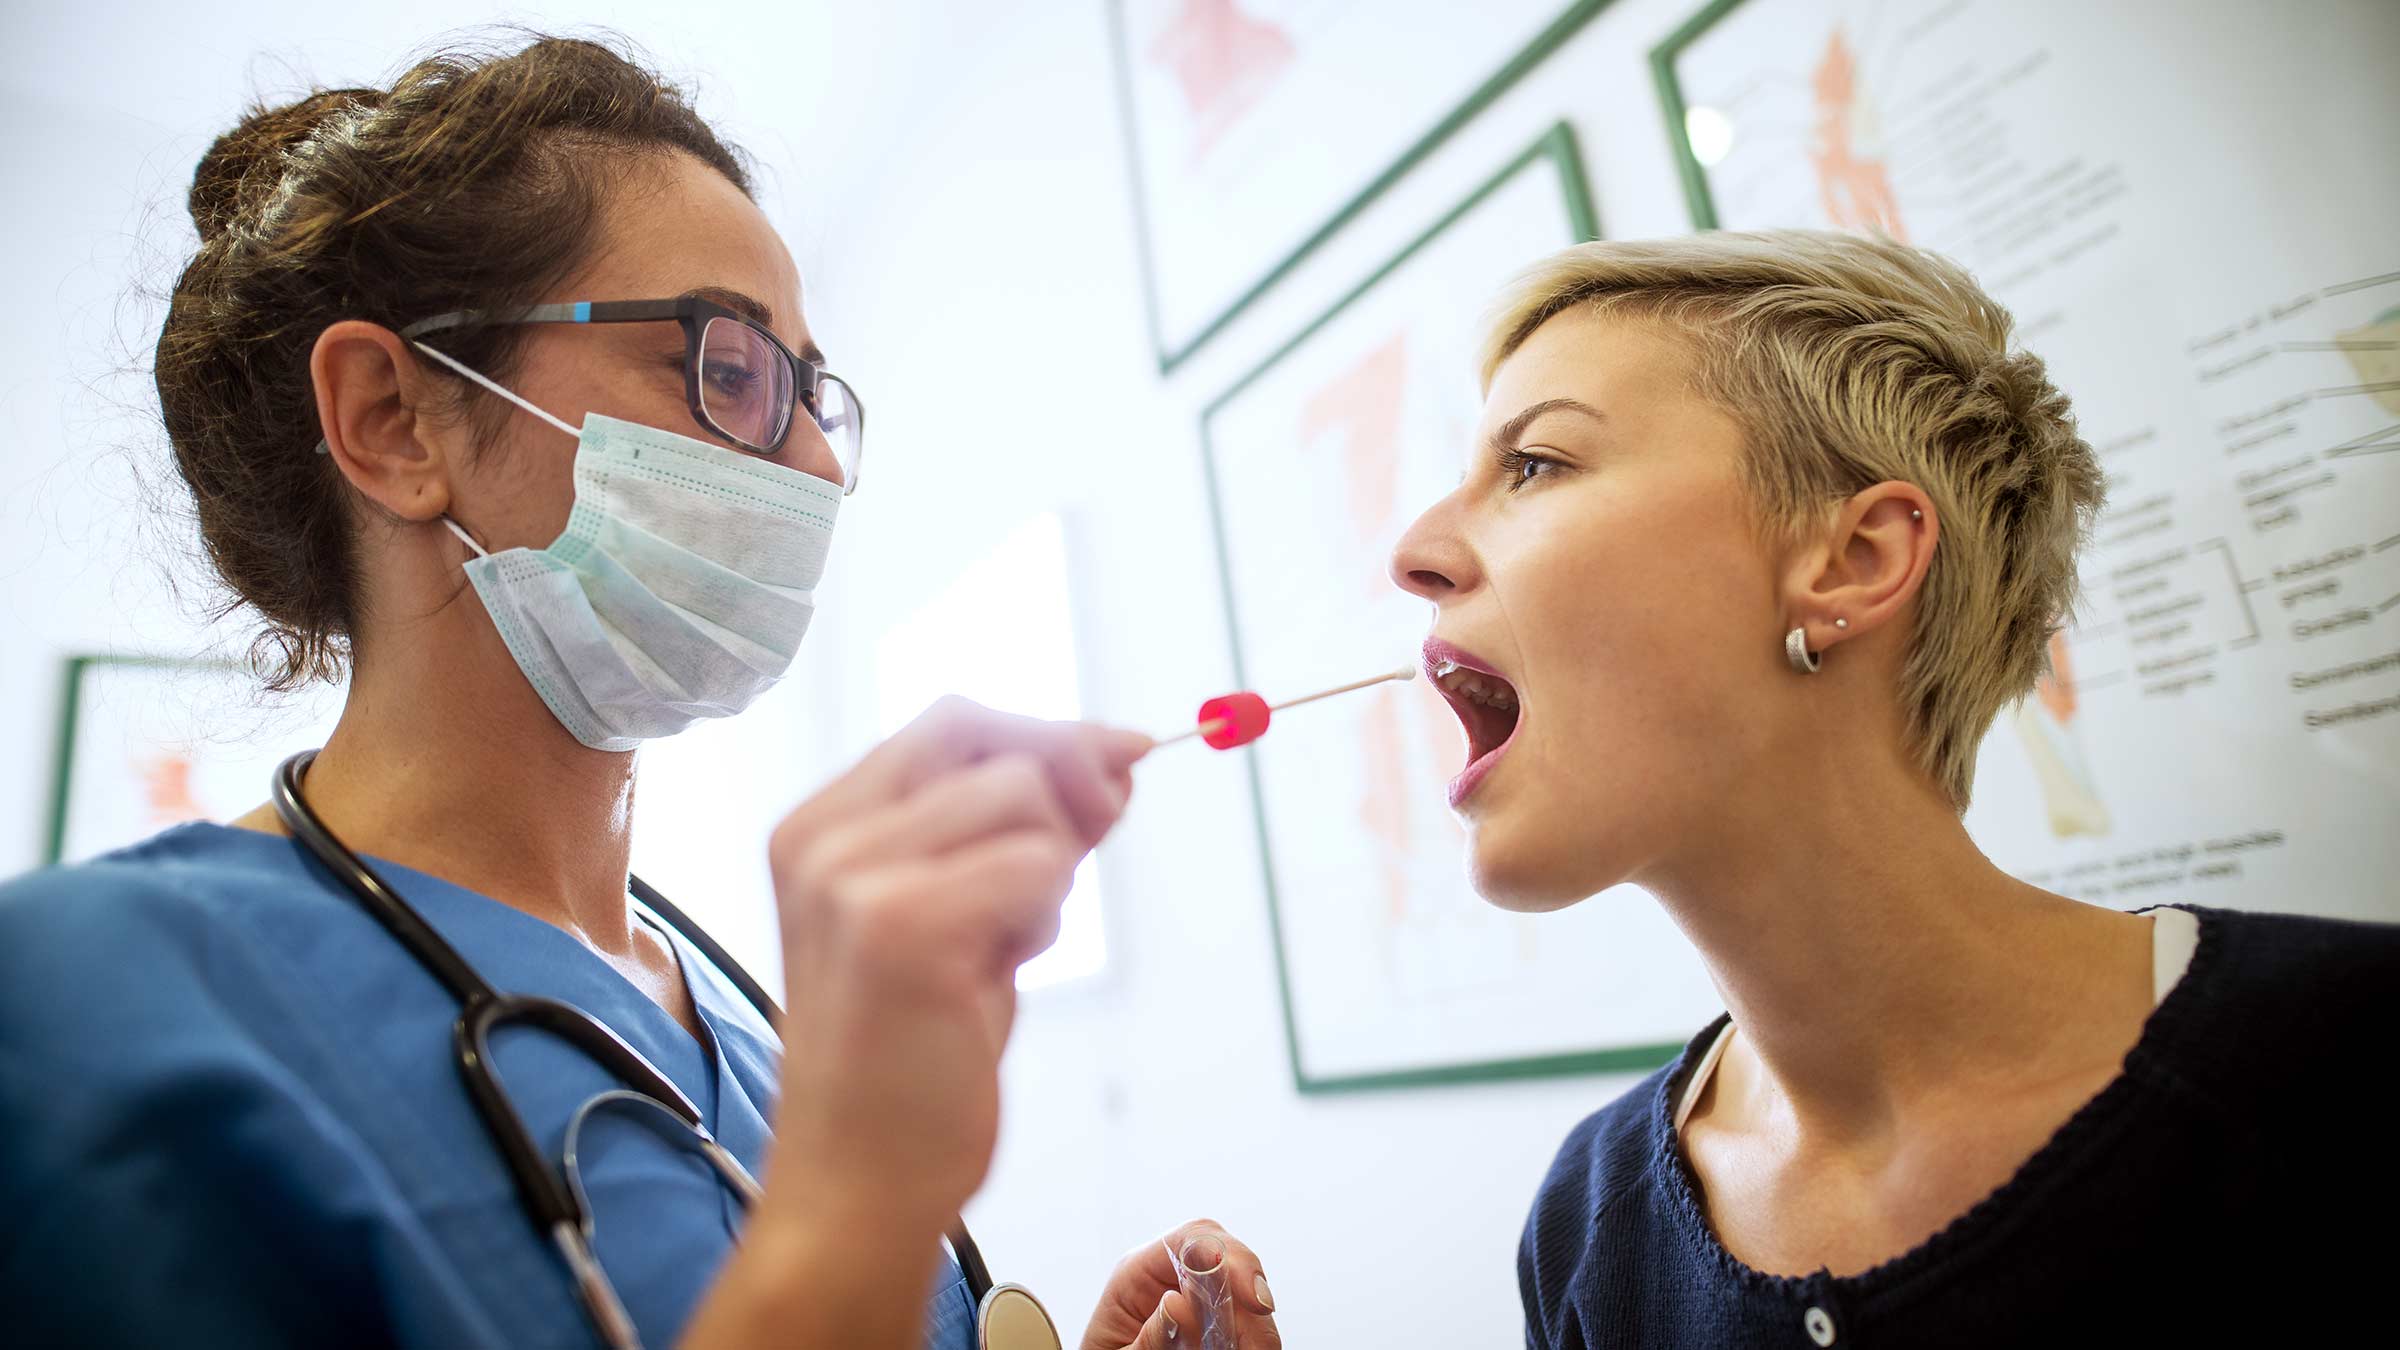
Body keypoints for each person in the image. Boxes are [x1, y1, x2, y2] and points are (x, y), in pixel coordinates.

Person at [0, 34, 1279, 1350]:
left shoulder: (751, 1031)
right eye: (730, 372)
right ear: (394, 418)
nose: (818, 470)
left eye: (813, 395)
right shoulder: (82, 1009)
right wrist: (858, 1200)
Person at [1382, 228, 2399, 1345]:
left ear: (1854, 562)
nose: (1415, 551)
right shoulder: (1589, 1226)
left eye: (1536, 464)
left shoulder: (2347, 1065)